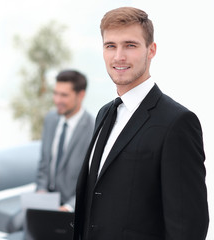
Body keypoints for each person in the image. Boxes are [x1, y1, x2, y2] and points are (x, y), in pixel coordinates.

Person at [73, 7, 209, 240]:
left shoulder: (177, 122)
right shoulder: (105, 113)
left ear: (151, 50)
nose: (119, 56)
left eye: (130, 45)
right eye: (111, 46)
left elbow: (188, 227)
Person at [36, 70, 95, 211]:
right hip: (45, 201)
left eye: (64, 95)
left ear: (81, 95)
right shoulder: (50, 119)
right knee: (14, 224)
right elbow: (43, 165)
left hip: (72, 208)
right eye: (55, 93)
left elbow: (92, 181)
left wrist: (69, 207)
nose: (57, 100)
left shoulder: (93, 128)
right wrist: (41, 191)